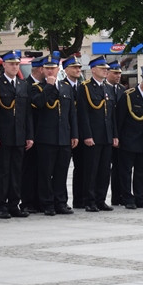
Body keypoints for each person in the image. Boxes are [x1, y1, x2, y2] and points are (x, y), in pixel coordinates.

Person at [30, 52, 78, 216]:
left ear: (58, 69)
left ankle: (61, 202)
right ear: (42, 70)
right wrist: (49, 86)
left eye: (53, 68)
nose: (50, 71)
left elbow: (71, 113)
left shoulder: (65, 87)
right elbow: (39, 103)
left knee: (61, 172)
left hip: (63, 136)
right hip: (46, 138)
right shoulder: (37, 87)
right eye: (47, 68)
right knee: (45, 173)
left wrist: (74, 134)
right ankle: (47, 203)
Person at [0, 50, 34, 219]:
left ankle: (14, 204)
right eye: (11, 64)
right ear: (4, 65)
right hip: (3, 135)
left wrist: (29, 135)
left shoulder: (23, 85)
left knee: (16, 171)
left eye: (17, 64)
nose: (15, 67)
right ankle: (0, 205)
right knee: (2, 172)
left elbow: (27, 113)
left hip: (19, 135)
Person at [77, 56, 118, 212]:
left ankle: (101, 199)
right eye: (102, 68)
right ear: (93, 70)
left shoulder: (108, 88)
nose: (105, 71)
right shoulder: (85, 87)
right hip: (93, 135)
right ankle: (90, 200)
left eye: (106, 69)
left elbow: (112, 115)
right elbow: (83, 114)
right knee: (91, 170)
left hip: (106, 135)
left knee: (104, 170)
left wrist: (114, 135)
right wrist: (87, 135)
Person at [116, 67, 143, 209]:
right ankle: (127, 198)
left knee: (142, 171)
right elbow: (119, 119)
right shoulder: (128, 96)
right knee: (126, 172)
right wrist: (117, 137)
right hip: (129, 140)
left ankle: (141, 197)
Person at [21, 55, 45, 213]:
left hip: (43, 135)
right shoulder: (26, 85)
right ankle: (27, 202)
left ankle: (38, 200)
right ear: (40, 69)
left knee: (40, 170)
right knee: (28, 170)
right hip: (30, 133)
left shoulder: (44, 85)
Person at [62, 55, 85, 208]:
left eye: (79, 67)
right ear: (66, 70)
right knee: (62, 169)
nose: (78, 70)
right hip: (65, 132)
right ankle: (60, 200)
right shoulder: (62, 85)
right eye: (74, 67)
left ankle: (79, 199)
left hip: (80, 133)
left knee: (81, 167)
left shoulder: (82, 86)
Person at [106, 60, 125, 206]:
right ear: (108, 73)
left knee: (120, 167)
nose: (118, 76)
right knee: (105, 167)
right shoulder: (103, 88)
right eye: (115, 73)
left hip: (120, 133)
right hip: (107, 133)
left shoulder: (122, 90)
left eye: (119, 73)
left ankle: (118, 196)